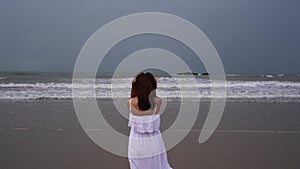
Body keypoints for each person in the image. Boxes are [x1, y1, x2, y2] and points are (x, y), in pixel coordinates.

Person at [126, 72, 173, 169]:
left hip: (137, 143)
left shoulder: (130, 103)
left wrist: (136, 80)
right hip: (154, 142)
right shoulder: (158, 102)